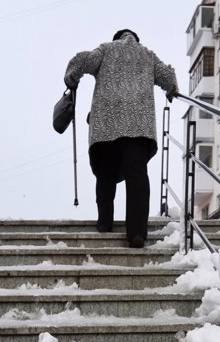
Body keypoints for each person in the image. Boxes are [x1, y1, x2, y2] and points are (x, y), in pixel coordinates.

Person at [64, 29, 178, 249]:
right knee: (137, 176)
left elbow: (83, 60)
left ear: (116, 38)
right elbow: (168, 77)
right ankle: (136, 233)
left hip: (106, 125)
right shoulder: (148, 55)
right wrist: (172, 89)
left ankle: (105, 223)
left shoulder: (106, 49)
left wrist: (71, 76)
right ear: (136, 39)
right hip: (138, 126)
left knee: (105, 175)